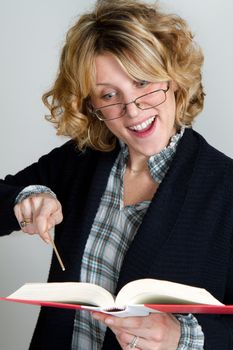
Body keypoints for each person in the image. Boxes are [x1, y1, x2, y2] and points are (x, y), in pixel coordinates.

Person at [0, 0, 233, 349]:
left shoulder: (225, 188)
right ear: (92, 106)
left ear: (174, 78)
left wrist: (182, 336)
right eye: (110, 95)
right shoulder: (82, 159)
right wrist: (27, 199)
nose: (133, 108)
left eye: (143, 83)